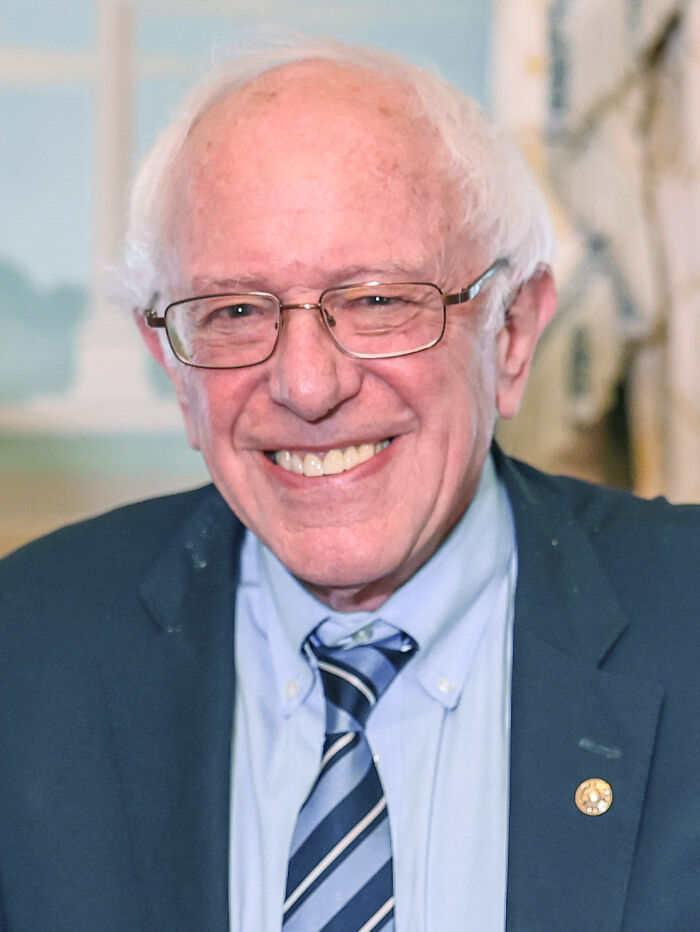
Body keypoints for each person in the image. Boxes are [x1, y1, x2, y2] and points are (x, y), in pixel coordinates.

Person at [1, 38, 698, 932]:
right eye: (236, 312)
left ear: (514, 333)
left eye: (377, 301)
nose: (307, 385)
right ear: (174, 369)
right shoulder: (24, 657)